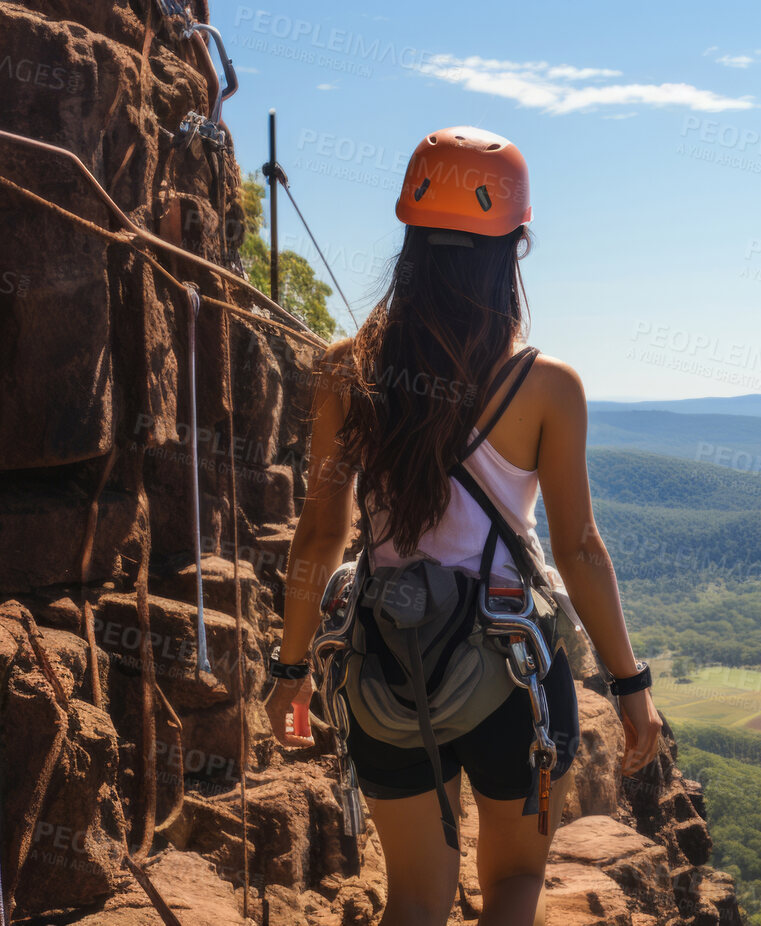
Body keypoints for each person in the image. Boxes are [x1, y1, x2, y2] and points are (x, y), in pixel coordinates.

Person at [261, 126, 662, 926]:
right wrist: (630, 686)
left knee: (414, 895)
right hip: (510, 669)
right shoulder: (546, 386)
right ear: (512, 248)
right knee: (513, 883)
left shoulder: (346, 370)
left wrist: (292, 668)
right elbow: (581, 551)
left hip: (383, 664)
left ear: (411, 239)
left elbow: (317, 538)